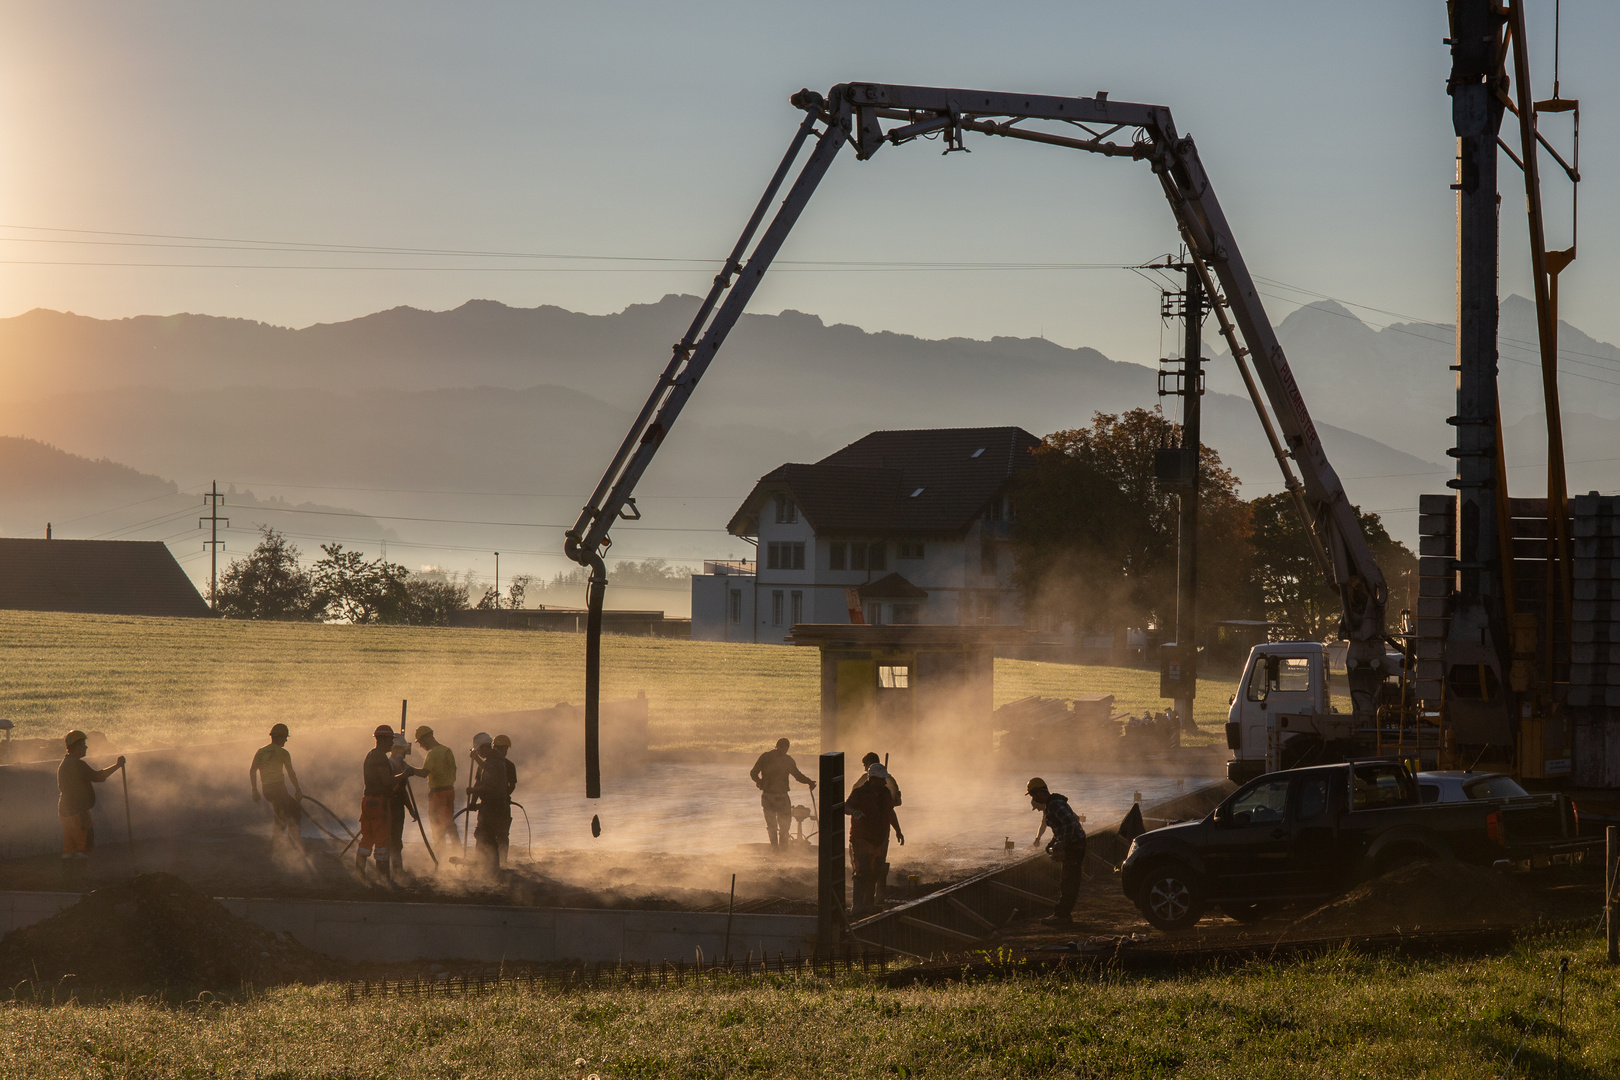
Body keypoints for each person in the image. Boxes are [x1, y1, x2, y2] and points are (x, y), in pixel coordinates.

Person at [57, 730, 124, 885]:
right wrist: (117, 765)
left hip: (66, 810)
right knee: (85, 844)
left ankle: (67, 878)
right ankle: (80, 878)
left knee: (71, 846)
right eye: (83, 745)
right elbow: (99, 777)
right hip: (77, 811)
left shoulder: (65, 763)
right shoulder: (76, 764)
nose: (86, 748)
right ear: (75, 747)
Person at [1027, 777, 1088, 926]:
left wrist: (1063, 843)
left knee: (1069, 882)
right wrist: (1052, 844)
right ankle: (1062, 914)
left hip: (1074, 847)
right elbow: (1061, 828)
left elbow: (1070, 823)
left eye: (1034, 795)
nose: (1034, 799)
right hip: (1074, 845)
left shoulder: (1055, 805)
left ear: (1041, 793)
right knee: (1068, 881)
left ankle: (1062, 916)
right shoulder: (1052, 806)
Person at [847, 760, 903, 917]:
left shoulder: (885, 793)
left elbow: (890, 812)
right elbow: (846, 806)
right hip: (861, 839)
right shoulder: (859, 793)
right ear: (872, 779)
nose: (884, 782)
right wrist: (854, 812)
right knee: (862, 871)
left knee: (875, 871)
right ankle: (857, 906)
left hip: (879, 838)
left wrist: (898, 831)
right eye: (881, 779)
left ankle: (869, 904)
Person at [358, 724, 404, 881]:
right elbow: (386, 781)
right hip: (379, 803)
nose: (392, 744)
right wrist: (404, 775)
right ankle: (383, 878)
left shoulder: (370, 755)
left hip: (367, 801)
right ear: (382, 739)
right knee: (382, 841)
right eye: (390, 740)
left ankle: (359, 874)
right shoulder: (380, 757)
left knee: (366, 839)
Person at [749, 738, 814, 850]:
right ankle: (783, 850)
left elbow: (753, 773)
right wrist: (810, 782)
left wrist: (760, 783)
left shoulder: (765, 757)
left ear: (776, 745)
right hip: (781, 797)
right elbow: (798, 776)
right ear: (787, 748)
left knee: (771, 825)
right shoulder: (787, 760)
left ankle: (775, 849)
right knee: (784, 825)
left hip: (767, 796)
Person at [249, 723, 304, 846]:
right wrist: (298, 789)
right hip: (279, 789)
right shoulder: (283, 753)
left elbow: (252, 770)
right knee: (287, 814)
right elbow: (291, 772)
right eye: (285, 738)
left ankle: (283, 843)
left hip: (266, 790)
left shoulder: (261, 751)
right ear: (279, 737)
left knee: (286, 811)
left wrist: (254, 790)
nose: (285, 741)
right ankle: (289, 844)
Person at [471, 734, 517, 874]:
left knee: (499, 835)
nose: (503, 751)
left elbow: (508, 785)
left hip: (497, 805)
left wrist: (504, 795)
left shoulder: (503, 764)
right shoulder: (488, 763)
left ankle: (499, 864)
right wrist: (473, 802)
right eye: (500, 748)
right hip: (490, 804)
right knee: (483, 834)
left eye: (504, 749)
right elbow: (479, 780)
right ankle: (483, 863)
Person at [414, 725, 458, 849]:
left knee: (437, 824)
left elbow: (423, 773)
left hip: (438, 794)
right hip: (450, 791)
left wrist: (408, 769)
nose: (421, 746)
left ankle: (440, 852)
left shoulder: (432, 754)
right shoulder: (447, 750)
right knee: (449, 822)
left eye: (421, 742)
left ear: (427, 737)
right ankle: (457, 848)